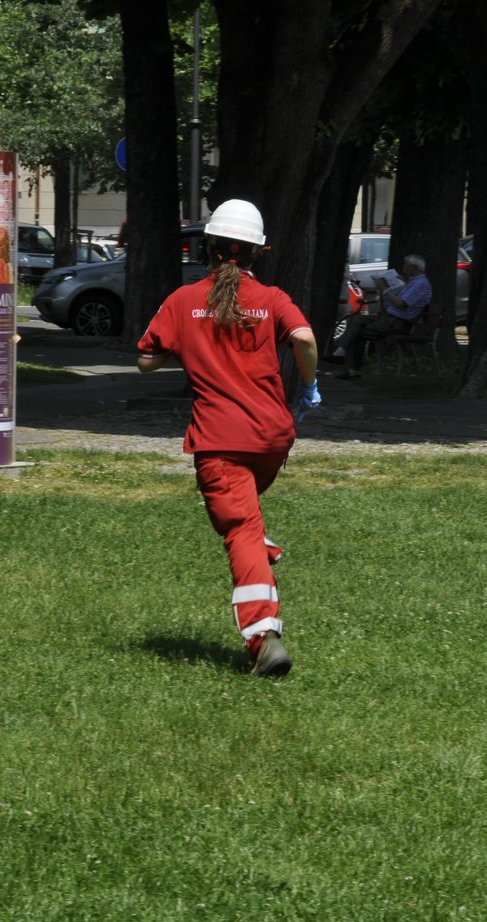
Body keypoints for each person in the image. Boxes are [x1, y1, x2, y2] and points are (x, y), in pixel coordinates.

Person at [136, 198, 321, 678]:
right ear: (259, 252)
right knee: (244, 516)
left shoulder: (181, 301)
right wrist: (309, 385)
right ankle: (261, 546)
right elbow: (304, 339)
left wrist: (189, 349)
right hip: (273, 438)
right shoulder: (274, 298)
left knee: (239, 529)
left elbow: (146, 359)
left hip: (220, 441)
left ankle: (264, 639)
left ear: (208, 247)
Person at [332, 253, 432, 379]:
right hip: (390, 317)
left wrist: (385, 289)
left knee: (358, 333)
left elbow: (401, 304)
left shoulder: (420, 284)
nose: (404, 269)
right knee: (357, 319)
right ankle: (341, 351)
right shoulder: (413, 282)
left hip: (398, 322)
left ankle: (354, 370)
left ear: (415, 268)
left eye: (407, 267)